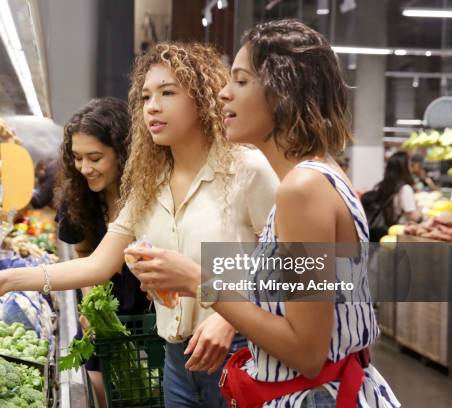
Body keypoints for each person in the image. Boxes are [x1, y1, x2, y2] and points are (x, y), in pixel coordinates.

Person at [0, 42, 278, 408]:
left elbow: (304, 268)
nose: (152, 106)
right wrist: (4, 281)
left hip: (239, 355)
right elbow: (96, 265)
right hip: (176, 360)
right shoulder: (148, 183)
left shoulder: (247, 169)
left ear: (201, 98)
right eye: (145, 96)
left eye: (168, 93)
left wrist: (229, 316)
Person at [126, 20, 399, 407]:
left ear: (281, 91)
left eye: (240, 81)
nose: (222, 94)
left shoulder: (301, 190)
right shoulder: (318, 175)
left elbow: (306, 352)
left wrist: (199, 281)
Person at [53, 97, 150, 407]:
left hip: (149, 320)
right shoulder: (80, 197)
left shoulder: (148, 195)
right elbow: (83, 252)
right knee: (102, 388)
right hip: (105, 320)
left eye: (95, 158)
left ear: (121, 153)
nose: (85, 168)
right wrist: (92, 302)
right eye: (78, 158)